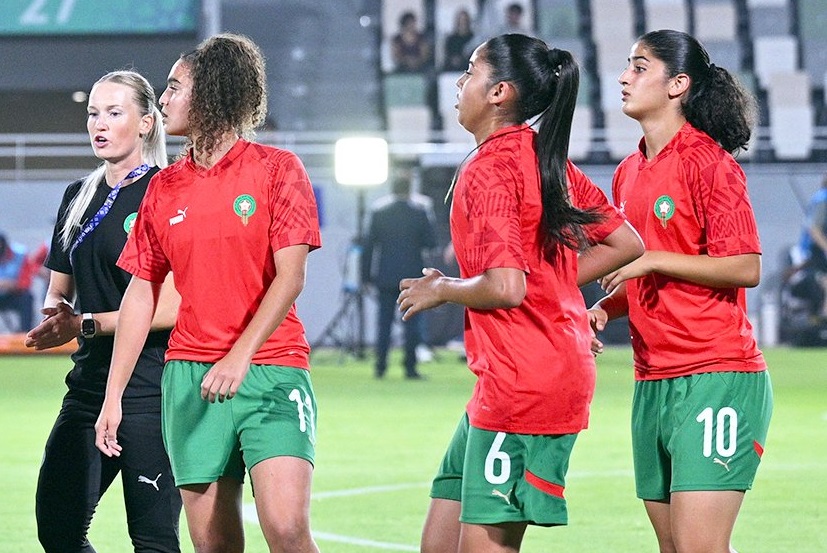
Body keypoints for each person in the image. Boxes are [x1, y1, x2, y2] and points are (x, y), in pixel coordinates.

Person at [397, 34, 644, 552]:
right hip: (513, 378)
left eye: (470, 71)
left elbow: (505, 287)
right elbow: (625, 242)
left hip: (524, 385)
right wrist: (554, 295)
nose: (459, 83)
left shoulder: (489, 169)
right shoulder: (544, 158)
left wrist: (442, 288)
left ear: (499, 92)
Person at [94, 33, 322, 553]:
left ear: (213, 93)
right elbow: (140, 294)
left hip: (273, 368)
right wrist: (113, 397)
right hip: (189, 380)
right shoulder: (163, 186)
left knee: (286, 529)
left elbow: (291, 278)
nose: (164, 99)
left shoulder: (277, 169)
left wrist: (239, 356)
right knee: (213, 544)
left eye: (174, 87)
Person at [588, 29, 774, 553]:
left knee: (700, 547)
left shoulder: (709, 163)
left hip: (717, 376)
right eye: (627, 66)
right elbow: (647, 274)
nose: (624, 77)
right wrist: (606, 308)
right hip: (653, 382)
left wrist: (649, 257)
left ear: (679, 84)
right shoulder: (627, 172)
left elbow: (745, 266)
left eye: (640, 67)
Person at [24, 71, 182, 553]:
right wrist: (56, 316)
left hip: (150, 388)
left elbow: (170, 307)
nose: (100, 124)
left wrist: (84, 324)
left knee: (153, 541)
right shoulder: (77, 196)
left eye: (115, 113)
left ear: (147, 123)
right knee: (58, 530)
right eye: (94, 113)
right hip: (88, 385)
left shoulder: (169, 190)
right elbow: (59, 291)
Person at [361, 170, 437, 379]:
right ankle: (410, 367)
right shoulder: (420, 212)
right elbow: (431, 242)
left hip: (385, 276)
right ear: (410, 190)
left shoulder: (380, 213)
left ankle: (380, 367)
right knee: (412, 324)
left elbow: (368, 248)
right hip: (412, 276)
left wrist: (365, 277)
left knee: (383, 323)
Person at [0, 233, 34, 332]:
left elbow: (27, 281)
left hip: (13, 293)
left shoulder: (20, 254)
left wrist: (12, 285)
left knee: (27, 297)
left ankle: (25, 333)